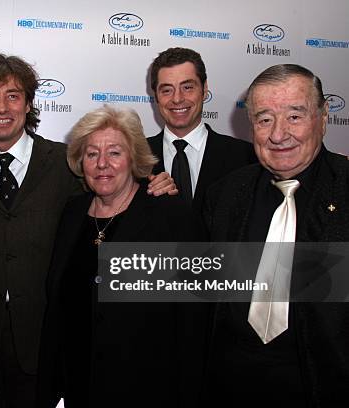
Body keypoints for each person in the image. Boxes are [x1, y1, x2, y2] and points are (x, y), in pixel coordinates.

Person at [0, 53, 174, 407]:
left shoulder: (68, 163)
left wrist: (154, 184)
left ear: (29, 103)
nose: (2, 107)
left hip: (42, 344)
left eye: (13, 95)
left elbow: (113, 184)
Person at [37, 105, 204, 408]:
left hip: (144, 389)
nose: (102, 164)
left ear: (134, 158)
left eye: (114, 152)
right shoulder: (73, 213)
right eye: (91, 154)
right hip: (76, 386)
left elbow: (192, 325)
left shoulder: (168, 216)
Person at [203, 64, 349, 407]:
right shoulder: (224, 195)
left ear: (324, 116)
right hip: (231, 390)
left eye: (295, 116)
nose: (278, 134)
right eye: (264, 119)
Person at [148, 47, 256, 211]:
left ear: (204, 90)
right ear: (156, 96)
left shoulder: (245, 156)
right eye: (167, 90)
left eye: (187, 87)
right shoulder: (135, 157)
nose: (177, 99)